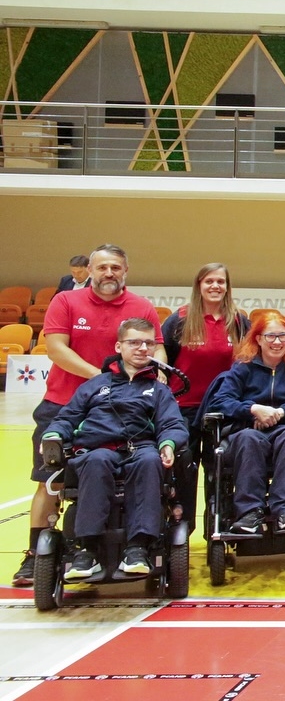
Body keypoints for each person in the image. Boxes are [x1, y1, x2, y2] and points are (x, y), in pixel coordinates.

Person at [16, 244, 163, 587]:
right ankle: (34, 554)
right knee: (50, 481)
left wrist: (160, 377)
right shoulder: (66, 301)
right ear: (90, 271)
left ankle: (130, 543)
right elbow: (56, 348)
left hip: (122, 407)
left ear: (125, 271)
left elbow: (155, 348)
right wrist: (101, 379)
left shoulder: (140, 307)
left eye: (115, 268)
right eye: (102, 268)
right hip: (65, 403)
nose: (108, 274)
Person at [40, 319, 187, 579]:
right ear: (119, 346)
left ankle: (137, 548)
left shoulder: (159, 390)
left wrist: (168, 444)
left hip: (140, 449)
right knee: (96, 460)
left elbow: (173, 424)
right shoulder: (95, 385)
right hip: (97, 448)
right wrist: (52, 436)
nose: (142, 348)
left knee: (149, 460)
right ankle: (87, 550)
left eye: (148, 343)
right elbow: (67, 417)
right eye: (134, 342)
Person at [211, 309, 285, 534]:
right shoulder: (244, 365)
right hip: (248, 428)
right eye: (270, 336)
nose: (277, 341)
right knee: (248, 438)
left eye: (283, 336)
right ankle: (250, 512)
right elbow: (221, 400)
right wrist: (253, 409)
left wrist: (279, 412)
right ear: (258, 339)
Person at [162, 262, 250, 525]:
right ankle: (181, 528)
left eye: (220, 282)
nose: (215, 286)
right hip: (183, 409)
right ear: (199, 286)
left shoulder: (238, 321)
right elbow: (162, 359)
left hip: (222, 411)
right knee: (184, 473)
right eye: (209, 281)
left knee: (219, 472)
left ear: (227, 287)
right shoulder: (179, 319)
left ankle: (217, 528)